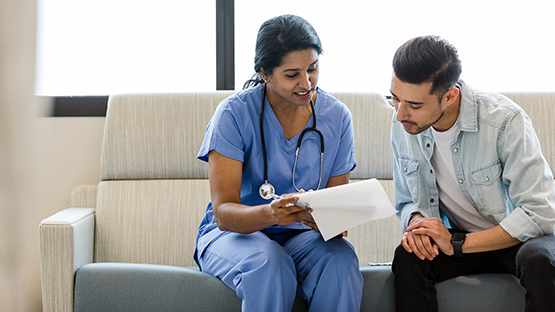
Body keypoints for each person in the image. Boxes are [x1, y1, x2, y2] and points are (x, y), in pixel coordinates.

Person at [194, 15, 363, 312]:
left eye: (312, 69)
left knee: (340, 261)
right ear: (265, 73)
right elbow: (223, 214)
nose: (306, 83)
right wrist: (272, 215)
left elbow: (336, 205)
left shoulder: (337, 117)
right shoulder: (233, 114)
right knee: (269, 263)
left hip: (303, 237)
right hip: (236, 234)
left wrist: (331, 220)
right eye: (291, 74)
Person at [389, 35, 555, 312]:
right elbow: (406, 201)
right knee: (408, 257)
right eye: (394, 99)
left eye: (414, 105)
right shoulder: (403, 124)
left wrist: (457, 243)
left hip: (520, 240)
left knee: (540, 259)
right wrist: (418, 225)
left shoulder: (504, 121)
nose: (399, 114)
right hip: (459, 238)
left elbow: (539, 212)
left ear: (450, 95)